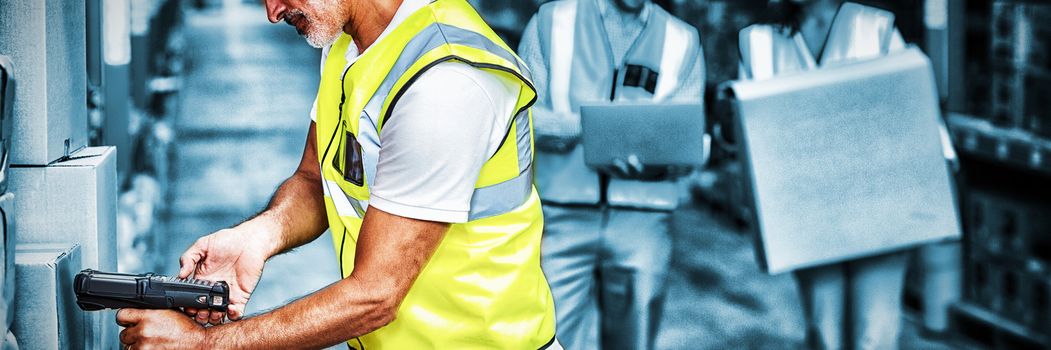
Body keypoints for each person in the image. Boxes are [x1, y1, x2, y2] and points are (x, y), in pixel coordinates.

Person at [115, 0, 560, 348]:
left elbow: (375, 295)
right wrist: (261, 234)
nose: (272, 13)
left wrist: (204, 345)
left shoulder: (445, 82)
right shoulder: (348, 46)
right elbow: (315, 179)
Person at [737, 1, 954, 349]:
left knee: (874, 335)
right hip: (809, 214)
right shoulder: (760, 42)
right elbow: (751, 133)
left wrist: (934, 199)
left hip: (881, 208)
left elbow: (916, 109)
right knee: (825, 334)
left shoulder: (875, 28)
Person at [518, 0, 704, 348]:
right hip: (559, 217)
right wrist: (595, 131)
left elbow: (687, 139)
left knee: (635, 339)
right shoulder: (550, 21)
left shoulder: (683, 39)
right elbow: (519, 114)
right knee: (545, 338)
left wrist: (652, 160)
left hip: (643, 221)